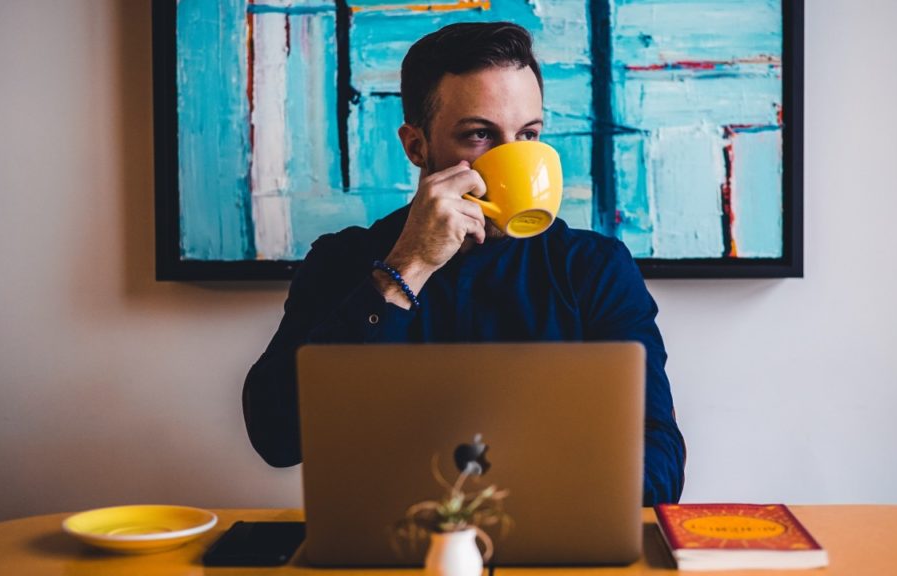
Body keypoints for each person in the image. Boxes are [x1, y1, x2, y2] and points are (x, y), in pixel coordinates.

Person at [243, 21, 686, 505]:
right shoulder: (344, 261)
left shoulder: (593, 269)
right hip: (391, 552)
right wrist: (404, 269)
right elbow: (277, 436)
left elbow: (659, 454)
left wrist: (549, 501)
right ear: (416, 145)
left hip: (550, 546)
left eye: (528, 135)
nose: (512, 158)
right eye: (480, 135)